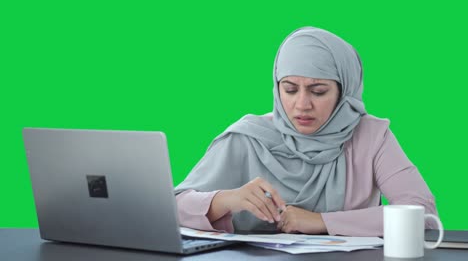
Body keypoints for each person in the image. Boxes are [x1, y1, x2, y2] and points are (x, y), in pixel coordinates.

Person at [174, 27, 438, 236]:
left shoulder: (371, 136)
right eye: (289, 89)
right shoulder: (248, 137)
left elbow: (422, 213)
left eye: (318, 91)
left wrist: (321, 221)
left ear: (344, 92)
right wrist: (225, 200)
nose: (302, 104)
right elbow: (170, 208)